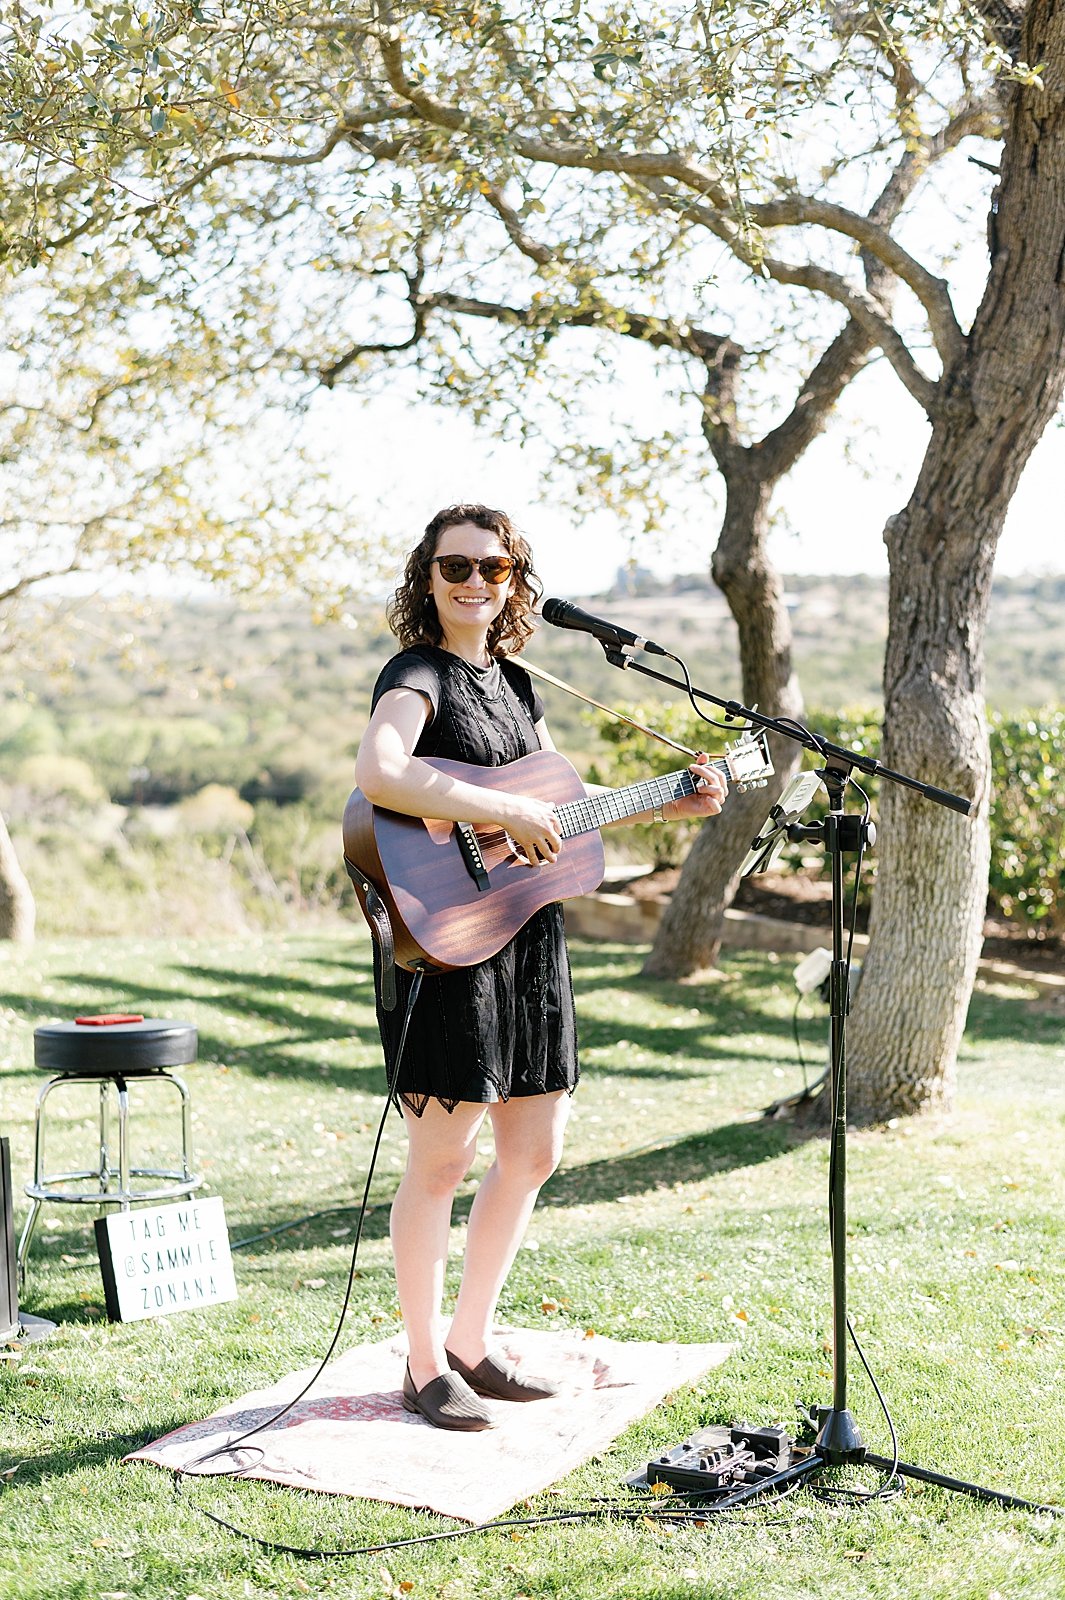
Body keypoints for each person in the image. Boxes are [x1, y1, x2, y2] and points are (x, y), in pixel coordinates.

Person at [354, 504, 727, 1431]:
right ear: (427, 579)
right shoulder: (417, 672)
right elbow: (380, 770)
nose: (473, 582)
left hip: (524, 937)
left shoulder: (519, 685)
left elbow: (548, 807)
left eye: (492, 567)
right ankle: (423, 1359)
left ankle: (474, 1343)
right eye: (454, 568)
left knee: (534, 1150)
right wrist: (493, 806)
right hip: (446, 937)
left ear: (515, 579)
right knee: (442, 1160)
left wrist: (669, 804)